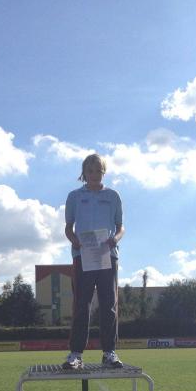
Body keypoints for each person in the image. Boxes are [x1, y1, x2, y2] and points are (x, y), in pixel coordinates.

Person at [62, 153, 125, 369]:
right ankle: (76, 354)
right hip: (83, 256)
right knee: (82, 304)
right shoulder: (74, 196)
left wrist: (115, 239)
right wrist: (74, 240)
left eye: (99, 170)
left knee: (109, 305)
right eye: (90, 171)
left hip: (108, 255)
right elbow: (68, 228)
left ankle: (109, 352)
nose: (94, 174)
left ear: (103, 172)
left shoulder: (113, 196)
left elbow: (120, 227)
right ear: (84, 173)